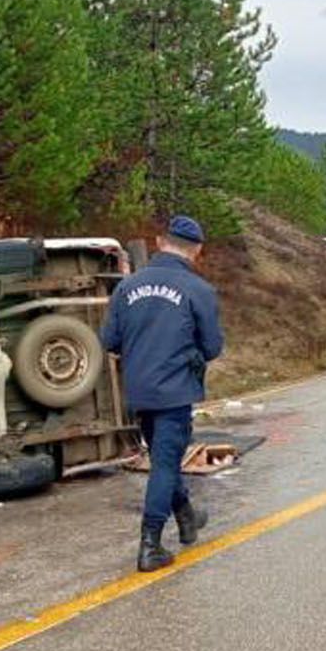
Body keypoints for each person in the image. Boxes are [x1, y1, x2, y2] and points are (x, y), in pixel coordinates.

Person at [100, 214, 224, 572]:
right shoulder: (198, 290)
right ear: (197, 251)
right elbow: (213, 346)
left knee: (162, 459)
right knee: (165, 465)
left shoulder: (126, 287)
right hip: (175, 391)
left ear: (159, 242)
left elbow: (109, 341)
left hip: (138, 390)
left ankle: (186, 517)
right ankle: (150, 544)